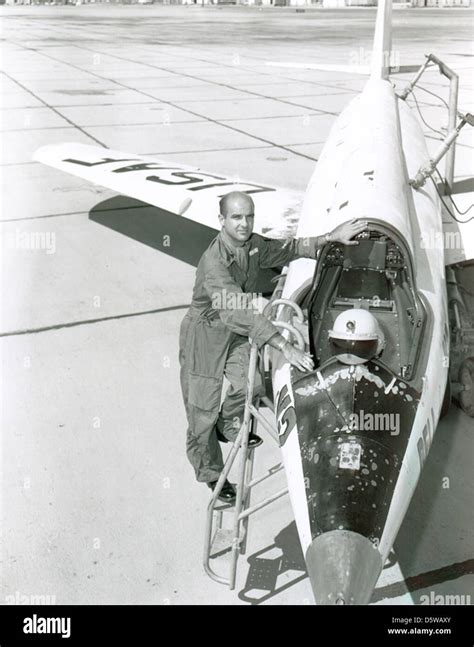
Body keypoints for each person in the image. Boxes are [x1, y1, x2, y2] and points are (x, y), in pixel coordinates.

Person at [179, 191, 367, 502]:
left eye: (249, 216)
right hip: (205, 336)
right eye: (236, 217)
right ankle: (211, 474)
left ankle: (227, 428)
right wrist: (283, 345)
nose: (244, 223)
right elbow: (238, 311)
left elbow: (287, 249)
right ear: (221, 221)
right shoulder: (214, 264)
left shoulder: (252, 245)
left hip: (233, 330)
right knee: (202, 412)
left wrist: (329, 238)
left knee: (251, 385)